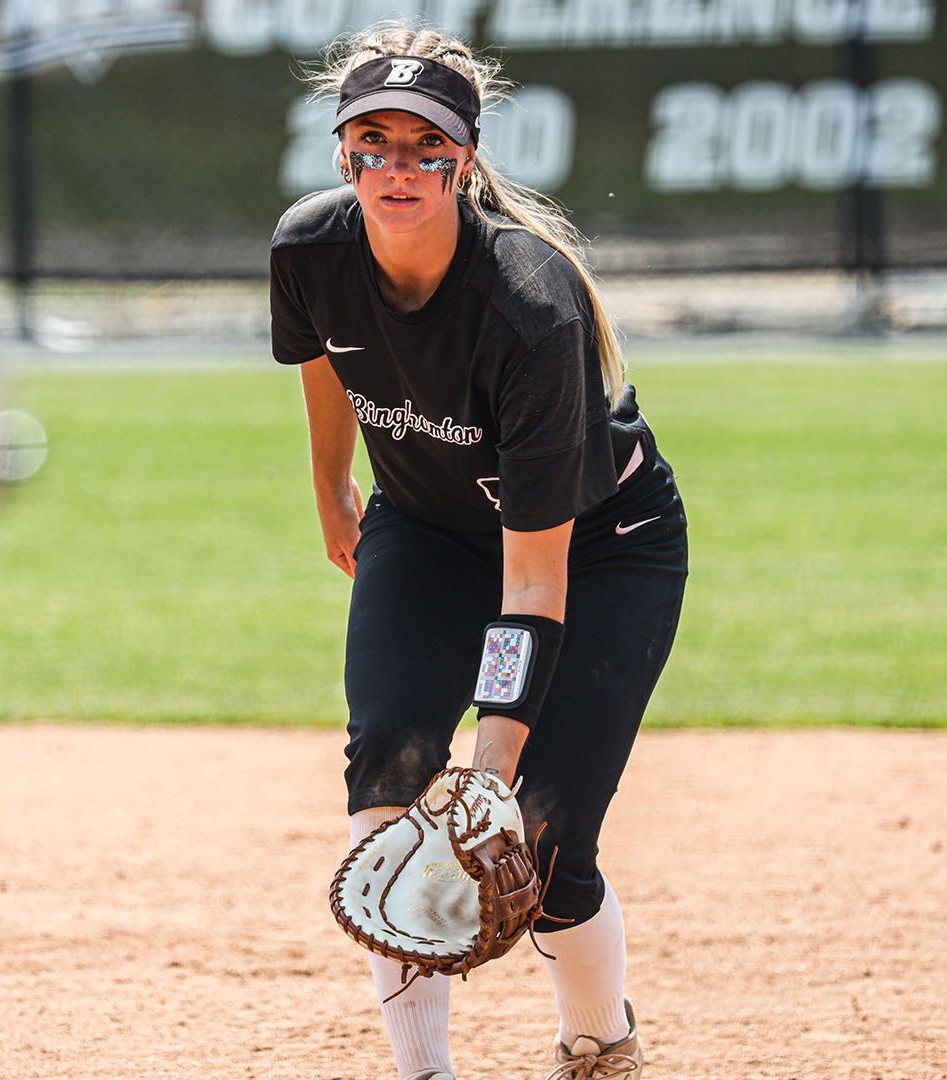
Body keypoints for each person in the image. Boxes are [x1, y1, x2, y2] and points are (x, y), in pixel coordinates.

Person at [268, 23, 688, 1080]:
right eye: (374, 141)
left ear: (465, 157)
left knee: (542, 837)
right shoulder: (310, 246)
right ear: (342, 151)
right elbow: (326, 354)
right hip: (427, 524)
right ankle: (425, 1074)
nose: (396, 167)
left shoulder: (530, 307)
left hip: (597, 551)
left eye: (425, 145)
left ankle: (599, 1042)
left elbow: (534, 577)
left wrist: (493, 765)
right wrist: (328, 484)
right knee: (389, 781)